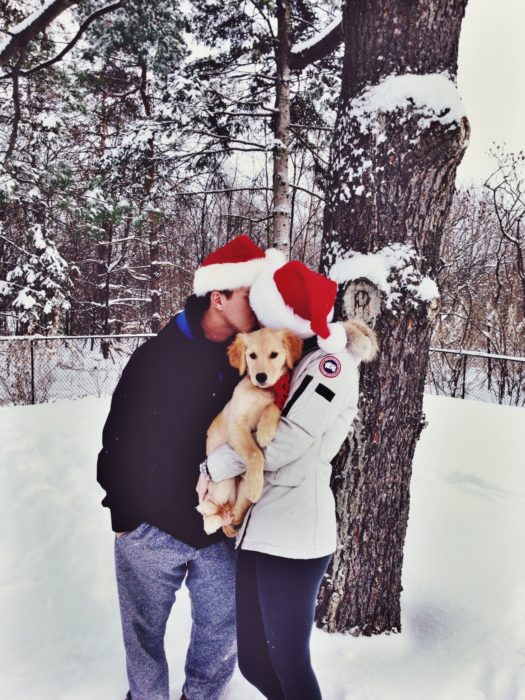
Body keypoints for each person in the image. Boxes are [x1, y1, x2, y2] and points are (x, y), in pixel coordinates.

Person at [96, 234, 283, 700]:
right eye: (249, 294)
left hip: (219, 534)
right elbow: (116, 436)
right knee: (142, 640)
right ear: (218, 298)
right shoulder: (155, 357)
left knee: (219, 639)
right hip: (150, 528)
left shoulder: (256, 357)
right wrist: (123, 515)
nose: (259, 304)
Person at [199, 260, 379, 700]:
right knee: (254, 662)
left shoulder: (330, 367)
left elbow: (291, 439)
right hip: (260, 529)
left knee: (289, 662)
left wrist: (216, 467)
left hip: (295, 533)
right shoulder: (294, 357)